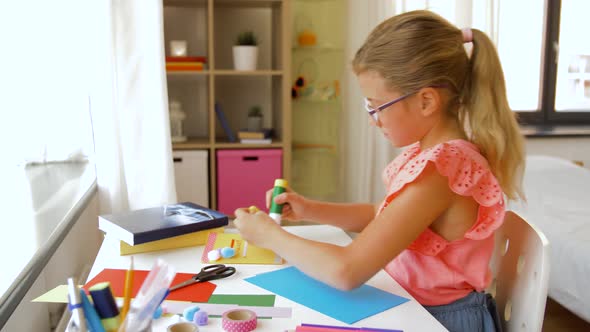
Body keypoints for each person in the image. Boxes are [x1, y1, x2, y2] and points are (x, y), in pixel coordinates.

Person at [233, 10, 524, 332]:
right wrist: (309, 209)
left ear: (427, 101)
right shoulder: (430, 155)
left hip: (439, 322)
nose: (374, 119)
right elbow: (381, 214)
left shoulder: (443, 169)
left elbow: (347, 271)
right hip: (411, 307)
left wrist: (270, 235)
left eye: (377, 106)